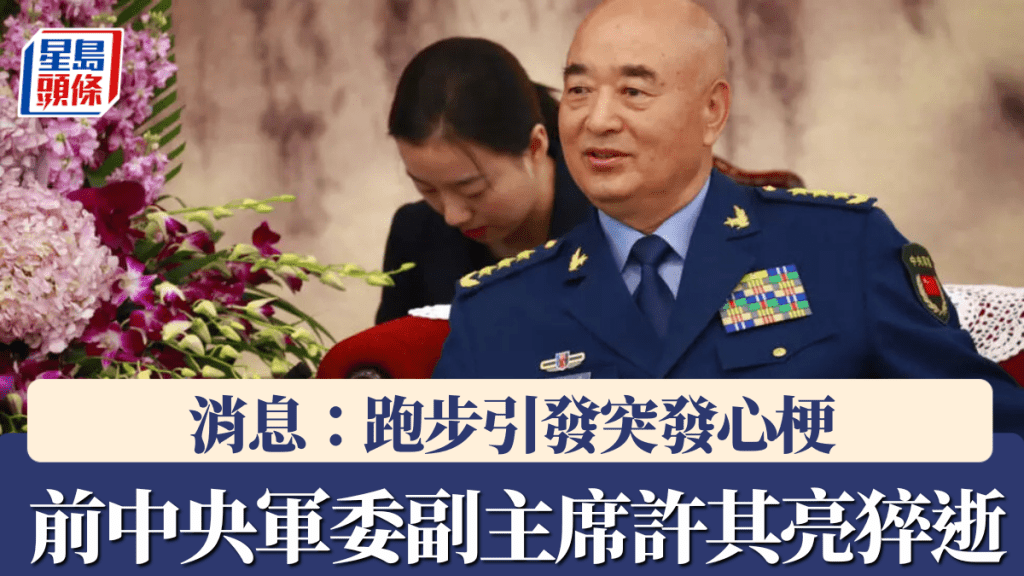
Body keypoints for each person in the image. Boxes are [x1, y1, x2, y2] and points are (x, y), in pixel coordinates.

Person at [432, 0, 1024, 436]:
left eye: (633, 92)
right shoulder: (498, 310)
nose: (597, 119)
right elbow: (445, 505)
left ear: (712, 111)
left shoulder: (842, 250)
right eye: (579, 91)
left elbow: (991, 434)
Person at [376, 37, 592, 324]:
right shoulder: (415, 235)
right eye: (426, 188)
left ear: (535, 147)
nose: (453, 216)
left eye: (473, 190)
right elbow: (393, 350)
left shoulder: (618, 223)